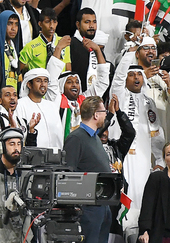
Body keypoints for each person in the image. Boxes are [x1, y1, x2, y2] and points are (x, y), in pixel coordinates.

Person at [63, 97, 118, 243]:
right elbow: (68, 174)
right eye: (104, 112)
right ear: (95, 115)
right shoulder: (76, 138)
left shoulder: (94, 137)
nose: (105, 115)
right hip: (88, 209)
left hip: (102, 205)